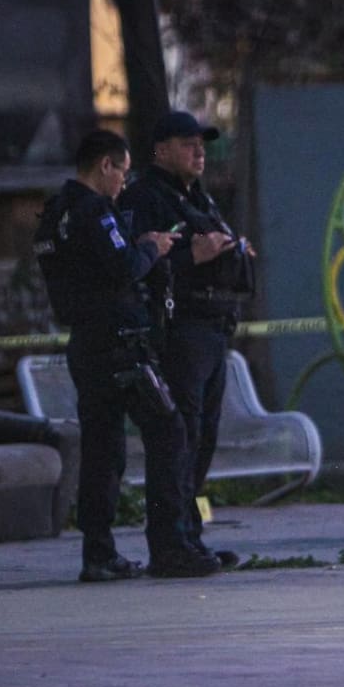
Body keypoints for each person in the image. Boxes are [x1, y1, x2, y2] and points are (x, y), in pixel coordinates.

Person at [33, 128, 221, 581]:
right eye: (122, 171)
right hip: (121, 346)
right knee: (170, 432)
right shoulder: (95, 211)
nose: (124, 182)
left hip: (86, 345)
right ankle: (171, 545)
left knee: (103, 451)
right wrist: (150, 247)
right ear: (106, 166)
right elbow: (122, 270)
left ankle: (98, 553)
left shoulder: (53, 213)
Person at [118, 111, 255, 567]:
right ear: (160, 150)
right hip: (179, 331)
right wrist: (190, 258)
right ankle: (169, 544)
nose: (199, 152)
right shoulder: (144, 198)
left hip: (213, 327)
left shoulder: (199, 197)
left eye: (201, 143)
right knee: (178, 437)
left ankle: (190, 536)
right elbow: (133, 271)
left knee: (202, 438)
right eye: (187, 143)